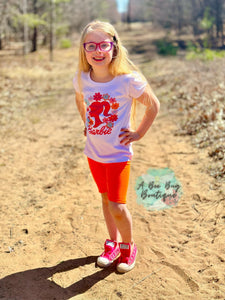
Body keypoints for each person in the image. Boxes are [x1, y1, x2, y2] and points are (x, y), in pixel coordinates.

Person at [73, 20, 160, 273]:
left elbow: (153, 105)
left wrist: (138, 133)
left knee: (117, 205)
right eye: (91, 45)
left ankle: (128, 246)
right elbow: (80, 101)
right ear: (84, 50)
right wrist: (87, 123)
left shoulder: (127, 80)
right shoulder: (82, 78)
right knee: (104, 199)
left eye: (103, 44)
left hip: (119, 154)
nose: (97, 51)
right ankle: (112, 243)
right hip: (94, 153)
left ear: (114, 47)